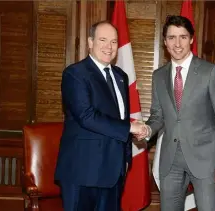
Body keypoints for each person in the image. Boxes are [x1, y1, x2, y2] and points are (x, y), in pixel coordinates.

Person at [137, 16, 215, 211]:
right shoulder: (159, 75)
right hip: (170, 159)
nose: (177, 43)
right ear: (165, 42)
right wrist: (148, 129)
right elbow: (158, 115)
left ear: (191, 39)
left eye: (183, 37)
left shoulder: (210, 72)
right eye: (172, 37)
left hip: (205, 160)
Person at [54, 21, 146, 211]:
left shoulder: (121, 76)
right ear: (90, 42)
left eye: (113, 42)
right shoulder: (75, 73)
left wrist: (126, 157)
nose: (109, 47)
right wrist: (130, 127)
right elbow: (86, 116)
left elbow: (121, 117)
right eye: (103, 40)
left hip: (114, 172)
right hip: (83, 171)